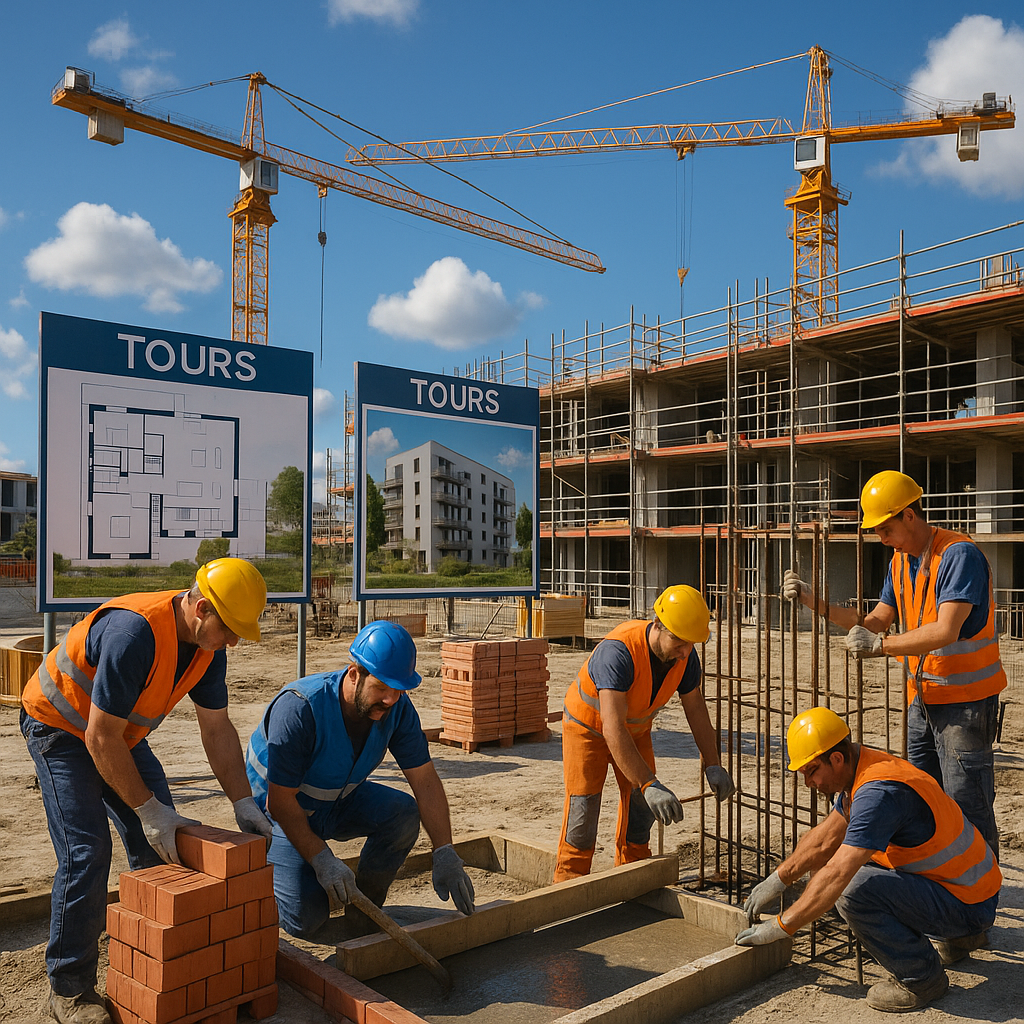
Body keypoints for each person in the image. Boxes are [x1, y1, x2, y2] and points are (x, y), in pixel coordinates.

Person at [21, 558, 271, 1024]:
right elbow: (98, 739)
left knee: (162, 845)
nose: (235, 641)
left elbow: (217, 729)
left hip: (118, 736)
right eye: (230, 629)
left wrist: (242, 801)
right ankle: (69, 990)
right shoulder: (133, 634)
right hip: (59, 728)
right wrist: (149, 810)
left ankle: (158, 968)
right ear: (201, 607)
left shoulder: (208, 648)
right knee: (87, 852)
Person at [784, 470, 1005, 853]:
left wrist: (881, 646)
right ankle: (939, 873)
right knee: (924, 797)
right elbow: (873, 622)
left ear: (909, 515)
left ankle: (983, 879)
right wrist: (813, 601)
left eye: (886, 529)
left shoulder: (958, 555)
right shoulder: (901, 563)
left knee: (967, 804)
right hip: (923, 701)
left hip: (965, 705)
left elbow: (946, 629)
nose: (881, 538)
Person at [737, 707, 1000, 1012]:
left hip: (969, 906)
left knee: (852, 890)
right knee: (843, 867)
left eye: (811, 771)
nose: (808, 782)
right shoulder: (865, 767)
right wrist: (779, 878)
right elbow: (824, 839)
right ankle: (960, 940)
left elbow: (838, 874)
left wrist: (781, 926)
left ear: (837, 759)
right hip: (968, 890)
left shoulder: (879, 793)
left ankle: (921, 979)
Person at [245, 619, 475, 940]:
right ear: (354, 674)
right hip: (278, 814)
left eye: (399, 690)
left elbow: (425, 780)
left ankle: (364, 909)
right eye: (381, 687)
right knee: (305, 919)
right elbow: (280, 802)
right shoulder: (300, 708)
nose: (391, 699)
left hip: (336, 799)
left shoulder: (397, 708)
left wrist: (444, 850)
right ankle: (266, 872)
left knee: (403, 814)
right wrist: (322, 860)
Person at [553, 584, 735, 883]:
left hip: (635, 732)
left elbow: (696, 711)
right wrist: (648, 782)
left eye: (691, 643)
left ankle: (632, 877)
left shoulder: (685, 657)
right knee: (583, 810)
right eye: (678, 641)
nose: (685, 651)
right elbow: (612, 727)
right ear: (658, 625)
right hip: (587, 730)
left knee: (641, 809)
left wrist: (713, 763)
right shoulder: (619, 652)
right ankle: (567, 883)